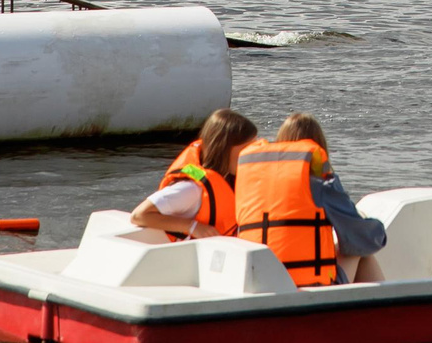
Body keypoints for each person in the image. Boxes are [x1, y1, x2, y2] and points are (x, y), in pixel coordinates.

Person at [234, 113, 387, 285]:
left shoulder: (251, 183)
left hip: (259, 282)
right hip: (307, 286)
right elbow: (362, 238)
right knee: (360, 252)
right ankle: (391, 309)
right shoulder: (320, 185)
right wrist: (377, 230)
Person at [130, 107, 258, 237]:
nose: (252, 154)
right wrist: (192, 227)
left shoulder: (231, 181)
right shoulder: (191, 189)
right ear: (224, 149)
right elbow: (139, 215)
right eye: (246, 149)